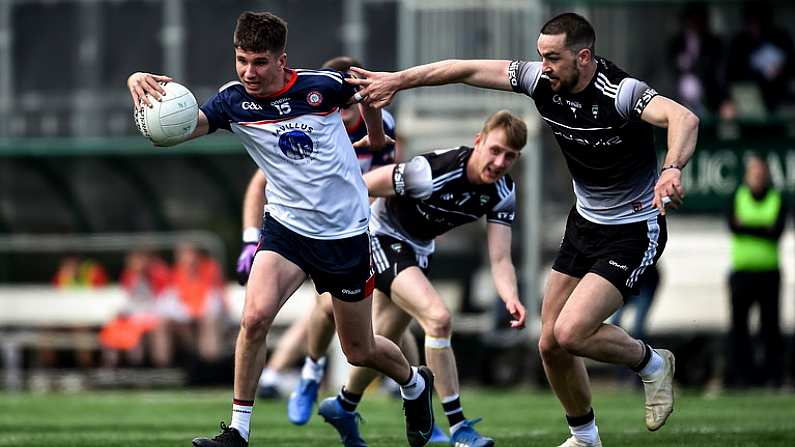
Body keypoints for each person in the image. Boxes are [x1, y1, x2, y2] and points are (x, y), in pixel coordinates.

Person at [349, 12, 699, 446]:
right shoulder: (540, 81)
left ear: (583, 56)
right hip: (584, 223)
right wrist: (399, 80)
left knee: (572, 331)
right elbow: (466, 68)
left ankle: (651, 364)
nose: (543, 66)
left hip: (633, 228)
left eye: (552, 58)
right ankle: (585, 438)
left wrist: (671, 169)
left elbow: (684, 119)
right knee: (550, 342)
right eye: (540, 56)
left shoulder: (621, 92)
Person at [127, 11, 434, 447]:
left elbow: (370, 92)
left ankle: (414, 384)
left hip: (344, 235)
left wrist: (378, 140)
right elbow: (179, 130)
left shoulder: (322, 86)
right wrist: (140, 88)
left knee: (359, 350)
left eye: (259, 62)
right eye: (241, 60)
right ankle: (238, 431)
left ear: (281, 60)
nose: (249, 72)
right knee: (253, 320)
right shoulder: (233, 101)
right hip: (286, 229)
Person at [317, 110, 528, 447]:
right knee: (438, 318)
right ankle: (459, 427)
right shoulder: (431, 172)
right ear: (479, 141)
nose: (501, 161)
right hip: (380, 236)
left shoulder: (502, 191)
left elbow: (500, 257)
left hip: (417, 250)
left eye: (511, 156)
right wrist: (342, 237)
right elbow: (364, 184)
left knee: (381, 339)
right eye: (495, 150)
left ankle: (344, 405)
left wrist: (510, 297)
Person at [725, 155, 786, 389]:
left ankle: (773, 377)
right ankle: (741, 377)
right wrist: (763, 227)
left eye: (761, 174)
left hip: (769, 273)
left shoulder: (776, 198)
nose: (758, 178)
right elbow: (732, 226)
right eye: (754, 174)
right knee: (739, 328)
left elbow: (776, 231)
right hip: (741, 273)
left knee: (770, 327)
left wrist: (746, 226)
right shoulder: (737, 196)